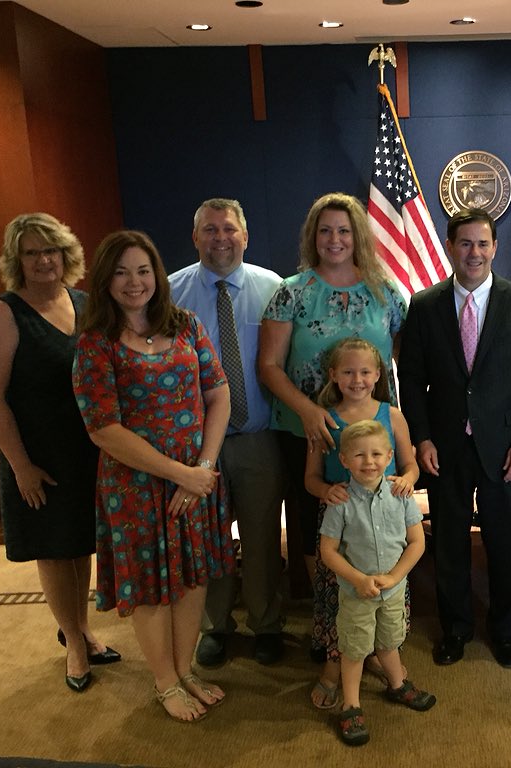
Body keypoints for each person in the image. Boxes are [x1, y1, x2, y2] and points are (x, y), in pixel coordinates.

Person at [73, 230, 235, 722]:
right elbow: (103, 430)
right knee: (150, 583)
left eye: (143, 270)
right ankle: (165, 682)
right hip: (136, 487)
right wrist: (180, 474)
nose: (134, 281)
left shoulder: (185, 325)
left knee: (191, 575)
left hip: (196, 477)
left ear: (157, 275)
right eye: (121, 271)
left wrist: (202, 468)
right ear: (105, 279)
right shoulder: (95, 344)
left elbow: (219, 393)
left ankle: (184, 670)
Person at [398, 207, 511, 669]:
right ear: (449, 247)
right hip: (444, 447)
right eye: (465, 243)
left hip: (505, 447)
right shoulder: (424, 305)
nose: (474, 252)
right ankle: (456, 627)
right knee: (449, 543)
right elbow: (412, 379)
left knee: (505, 544)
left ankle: (506, 630)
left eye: (483, 243)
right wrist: (420, 438)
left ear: (495, 248)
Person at [0, 213, 119, 694]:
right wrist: (21, 467)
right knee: (54, 552)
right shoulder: (4, 313)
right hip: (37, 456)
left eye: (50, 250)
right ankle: (75, 645)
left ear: (65, 254)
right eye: (31, 253)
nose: (42, 260)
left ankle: (82, 629)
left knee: (79, 545)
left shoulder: (83, 302)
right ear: (18, 262)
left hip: (85, 451)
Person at [259, 192, 406, 617]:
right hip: (307, 430)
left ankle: (374, 607)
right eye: (325, 230)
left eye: (344, 230)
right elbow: (269, 365)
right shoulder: (292, 292)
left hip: (371, 435)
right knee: (316, 520)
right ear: (313, 236)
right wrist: (308, 410)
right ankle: (329, 615)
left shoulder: (386, 293)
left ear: (358, 236)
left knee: (371, 520)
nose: (335, 239)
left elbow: (402, 358)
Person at [169, 198, 286, 668]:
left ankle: (267, 625)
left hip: (258, 437)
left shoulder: (273, 288)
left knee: (260, 538)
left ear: (245, 235)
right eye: (210, 230)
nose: (221, 238)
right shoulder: (171, 293)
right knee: (209, 537)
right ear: (196, 237)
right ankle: (215, 626)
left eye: (229, 229)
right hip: (196, 445)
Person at [304, 338, 419, 709]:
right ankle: (332, 671)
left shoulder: (392, 414)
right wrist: (326, 491)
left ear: (378, 374)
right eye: (349, 372)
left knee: (381, 601)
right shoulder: (324, 417)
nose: (358, 379)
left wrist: (408, 478)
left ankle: (379, 656)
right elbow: (311, 478)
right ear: (334, 375)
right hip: (341, 515)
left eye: (366, 371)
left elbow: (409, 464)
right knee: (341, 604)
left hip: (385, 512)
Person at [319, 419, 433, 746]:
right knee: (354, 649)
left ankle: (397, 684)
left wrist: (395, 577)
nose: (368, 462)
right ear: (343, 460)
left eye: (376, 454)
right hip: (356, 593)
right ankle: (351, 704)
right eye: (358, 455)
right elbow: (328, 550)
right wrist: (357, 578)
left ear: (389, 456)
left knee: (389, 640)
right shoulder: (340, 501)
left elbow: (416, 542)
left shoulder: (401, 495)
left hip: (393, 590)